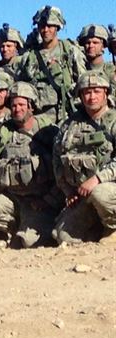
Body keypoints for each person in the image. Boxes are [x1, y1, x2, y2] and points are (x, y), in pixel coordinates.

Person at [0, 82, 62, 249]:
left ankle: (29, 229)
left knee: (29, 242)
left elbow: (61, 171)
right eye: (13, 105)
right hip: (13, 198)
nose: (17, 109)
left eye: (21, 104)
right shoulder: (4, 133)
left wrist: (48, 200)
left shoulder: (48, 131)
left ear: (31, 106)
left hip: (40, 201)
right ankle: (15, 229)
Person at [52, 72, 116, 245]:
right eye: (86, 92)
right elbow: (58, 159)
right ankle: (97, 229)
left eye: (96, 91)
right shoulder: (70, 125)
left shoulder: (114, 120)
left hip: (107, 189)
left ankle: (113, 228)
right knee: (62, 235)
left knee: (101, 194)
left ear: (106, 93)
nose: (91, 96)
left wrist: (98, 178)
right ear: (80, 95)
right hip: (82, 195)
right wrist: (68, 191)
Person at [17, 5, 86, 122]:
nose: (46, 30)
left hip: (66, 114)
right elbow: (20, 87)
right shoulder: (29, 56)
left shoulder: (70, 51)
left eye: (50, 26)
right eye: (42, 26)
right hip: (37, 117)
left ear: (57, 28)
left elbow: (83, 81)